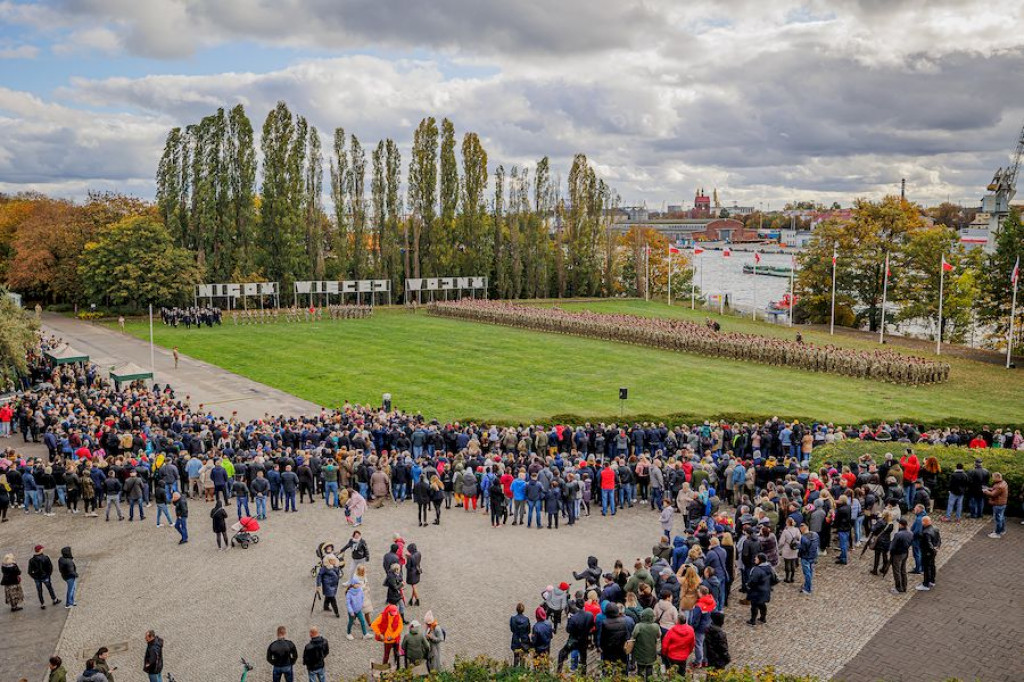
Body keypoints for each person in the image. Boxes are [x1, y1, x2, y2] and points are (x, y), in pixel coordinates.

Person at [631, 607, 661, 680]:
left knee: (640, 669)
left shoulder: (638, 626)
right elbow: (659, 635)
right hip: (651, 651)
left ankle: (640, 680)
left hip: (640, 651)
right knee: (650, 668)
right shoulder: (655, 626)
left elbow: (633, 635)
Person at [745, 553, 775, 626]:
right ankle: (763, 618)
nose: (755, 558)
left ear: (760, 560)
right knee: (762, 604)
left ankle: (753, 620)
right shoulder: (769, 567)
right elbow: (774, 579)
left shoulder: (757, 570)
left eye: (756, 558)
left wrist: (748, 585)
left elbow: (753, 581)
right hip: (765, 590)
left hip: (757, 591)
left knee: (754, 606)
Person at [371, 603, 404, 667]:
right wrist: (379, 634)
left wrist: (393, 636)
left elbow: (400, 627)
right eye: (392, 614)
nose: (394, 615)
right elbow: (373, 625)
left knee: (397, 654)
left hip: (395, 638)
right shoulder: (382, 616)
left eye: (395, 613)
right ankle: (384, 669)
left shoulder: (397, 615)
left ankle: (397, 666)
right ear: (388, 611)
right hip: (387, 640)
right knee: (386, 655)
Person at [889, 519, 913, 594]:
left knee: (896, 571)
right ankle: (904, 586)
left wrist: (891, 553)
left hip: (897, 554)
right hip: (905, 553)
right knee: (903, 570)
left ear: (900, 525)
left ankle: (898, 587)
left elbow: (892, 547)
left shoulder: (898, 534)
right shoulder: (911, 533)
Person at [917, 516, 941, 591]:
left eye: (922, 521)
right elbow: (939, 540)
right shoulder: (935, 528)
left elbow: (928, 544)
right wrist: (937, 548)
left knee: (927, 568)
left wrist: (933, 550)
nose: (921, 523)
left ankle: (926, 584)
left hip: (927, 552)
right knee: (932, 565)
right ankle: (932, 581)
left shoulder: (926, 532)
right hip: (933, 552)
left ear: (924, 522)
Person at [982, 472, 1009, 538]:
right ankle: (1002, 530)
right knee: (1001, 518)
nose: (992, 479)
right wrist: (989, 488)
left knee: (998, 519)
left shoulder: (1000, 486)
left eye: (993, 477)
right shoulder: (1003, 483)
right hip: (1002, 503)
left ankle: (997, 533)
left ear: (997, 477)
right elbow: (996, 490)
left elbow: (993, 494)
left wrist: (985, 491)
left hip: (998, 504)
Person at [797, 523, 819, 595]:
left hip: (806, 557)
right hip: (813, 556)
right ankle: (808, 585)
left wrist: (798, 550)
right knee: (810, 571)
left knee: (807, 573)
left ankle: (807, 589)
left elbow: (803, 548)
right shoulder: (815, 534)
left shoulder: (803, 538)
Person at [509, 602, 531, 667]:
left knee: (516, 657)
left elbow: (512, 629)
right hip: (524, 640)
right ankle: (522, 670)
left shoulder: (512, 619)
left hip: (516, 639)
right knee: (523, 658)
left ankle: (515, 669)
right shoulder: (526, 619)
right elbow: (528, 630)